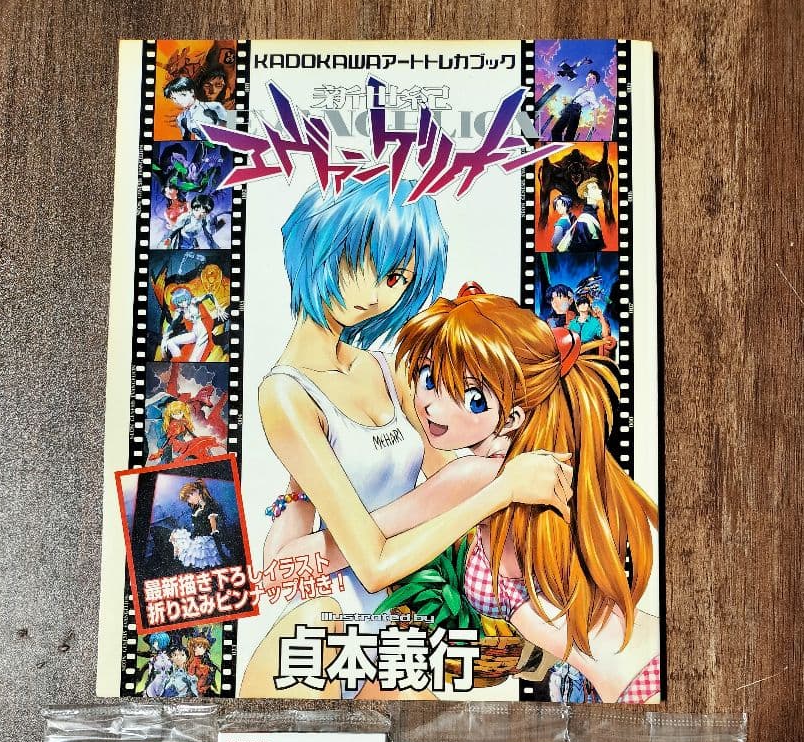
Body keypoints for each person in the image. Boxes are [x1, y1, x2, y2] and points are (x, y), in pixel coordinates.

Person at [241, 175, 572, 698]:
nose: (377, 293)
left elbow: (446, 487)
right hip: (329, 620)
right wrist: (500, 489)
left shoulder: (387, 368)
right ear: (319, 243)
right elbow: (371, 563)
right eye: (362, 261)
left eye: (396, 276)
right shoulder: (286, 394)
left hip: (406, 621)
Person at [269, 287, 659, 702]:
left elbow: (284, 566)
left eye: (471, 398)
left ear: (513, 416)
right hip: (635, 670)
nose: (432, 407)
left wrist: (301, 482)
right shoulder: (538, 466)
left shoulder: (480, 476)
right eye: (429, 379)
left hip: (628, 683)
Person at [170, 479, 226, 569]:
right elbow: (196, 526)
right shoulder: (196, 508)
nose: (189, 501)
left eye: (189, 497)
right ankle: (175, 559)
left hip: (205, 541)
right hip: (197, 537)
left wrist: (217, 540)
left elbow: (213, 526)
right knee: (175, 534)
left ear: (196, 491)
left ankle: (176, 560)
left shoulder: (210, 506)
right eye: (187, 499)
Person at [163, 75, 228, 140]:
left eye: (182, 95)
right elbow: (186, 139)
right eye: (174, 98)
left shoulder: (214, 106)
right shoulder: (181, 118)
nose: (177, 101)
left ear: (192, 92)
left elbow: (231, 129)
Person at [551, 69, 601, 141]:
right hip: (569, 108)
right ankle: (558, 145)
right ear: (586, 78)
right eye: (589, 76)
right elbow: (574, 98)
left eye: (593, 78)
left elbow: (595, 107)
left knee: (569, 136)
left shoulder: (591, 94)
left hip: (576, 111)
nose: (590, 77)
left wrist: (594, 123)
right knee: (556, 130)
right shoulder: (581, 88)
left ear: (595, 83)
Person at [559, 177, 605, 253]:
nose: (600, 190)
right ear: (586, 194)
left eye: (598, 188)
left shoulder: (593, 214)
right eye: (594, 188)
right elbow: (581, 249)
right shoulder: (584, 220)